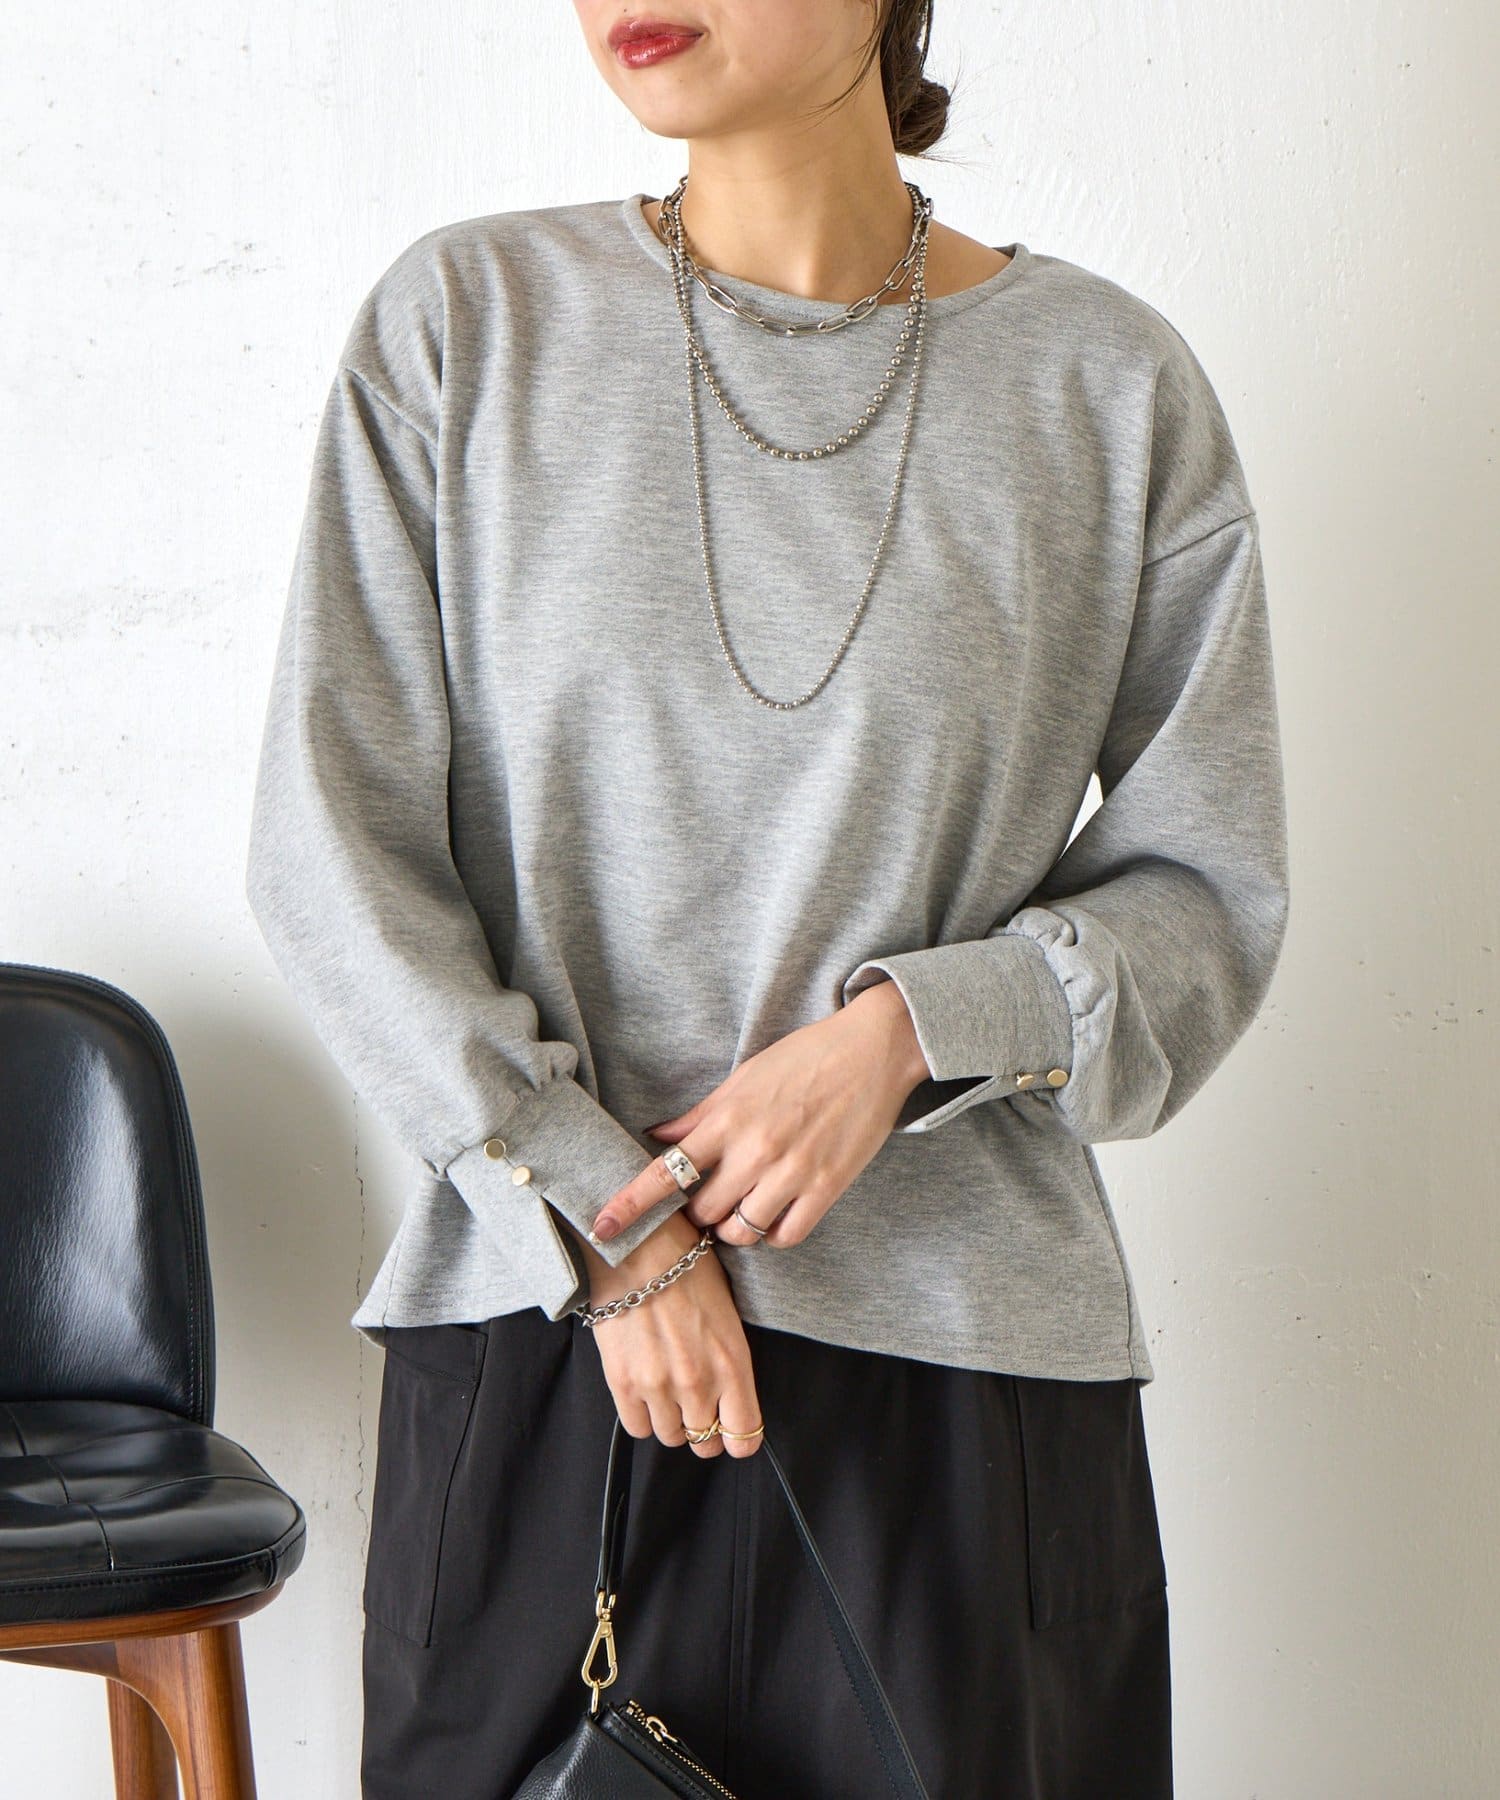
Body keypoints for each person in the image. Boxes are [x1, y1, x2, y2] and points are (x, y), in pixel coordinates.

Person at [245, 3, 1290, 1795]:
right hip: (547, 1345)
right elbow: (330, 851)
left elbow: (1209, 896)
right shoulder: (467, 328)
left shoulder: (1105, 389)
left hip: (963, 1387)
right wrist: (607, 1222)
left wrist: (907, 1036)